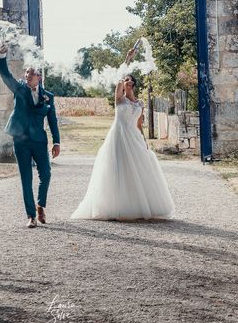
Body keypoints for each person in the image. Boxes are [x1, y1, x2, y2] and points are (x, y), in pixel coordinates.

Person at [72, 48, 175, 221]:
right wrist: (128, 59)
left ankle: (137, 205)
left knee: (138, 170)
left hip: (134, 136)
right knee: (118, 168)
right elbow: (119, 77)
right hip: (119, 135)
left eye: (128, 80)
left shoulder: (139, 103)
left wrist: (144, 140)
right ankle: (116, 206)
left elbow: (139, 124)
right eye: (124, 80)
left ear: (133, 84)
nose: (125, 81)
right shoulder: (119, 98)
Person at [0, 44, 60, 228]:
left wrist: (57, 142)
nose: (27, 76)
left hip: (39, 141)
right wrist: (2, 57)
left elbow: (53, 120)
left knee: (46, 175)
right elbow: (5, 76)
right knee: (26, 178)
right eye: (26, 74)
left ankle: (41, 205)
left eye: (30, 74)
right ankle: (31, 216)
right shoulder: (19, 89)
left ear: (38, 78)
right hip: (21, 140)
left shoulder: (48, 96)